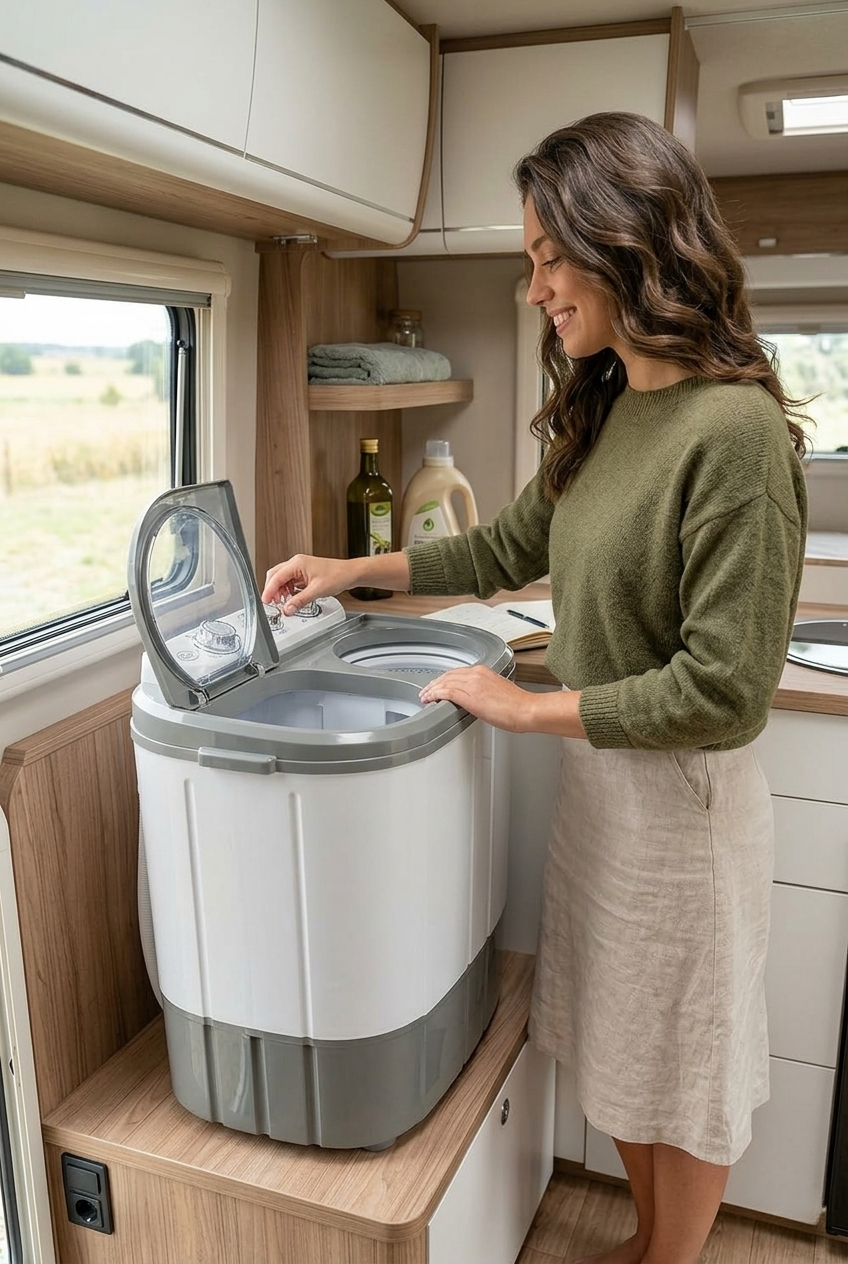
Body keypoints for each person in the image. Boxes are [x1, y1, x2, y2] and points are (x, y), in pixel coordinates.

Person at [262, 111, 808, 1264]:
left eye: (550, 259)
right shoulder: (610, 407)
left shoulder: (735, 433)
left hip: (684, 812)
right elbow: (501, 545)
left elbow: (725, 690)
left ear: (626, 242)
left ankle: (667, 1257)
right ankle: (651, 1243)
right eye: (529, 262)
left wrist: (518, 701)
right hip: (605, 786)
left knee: (682, 1073)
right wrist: (346, 568)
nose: (534, 290)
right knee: (621, 1054)